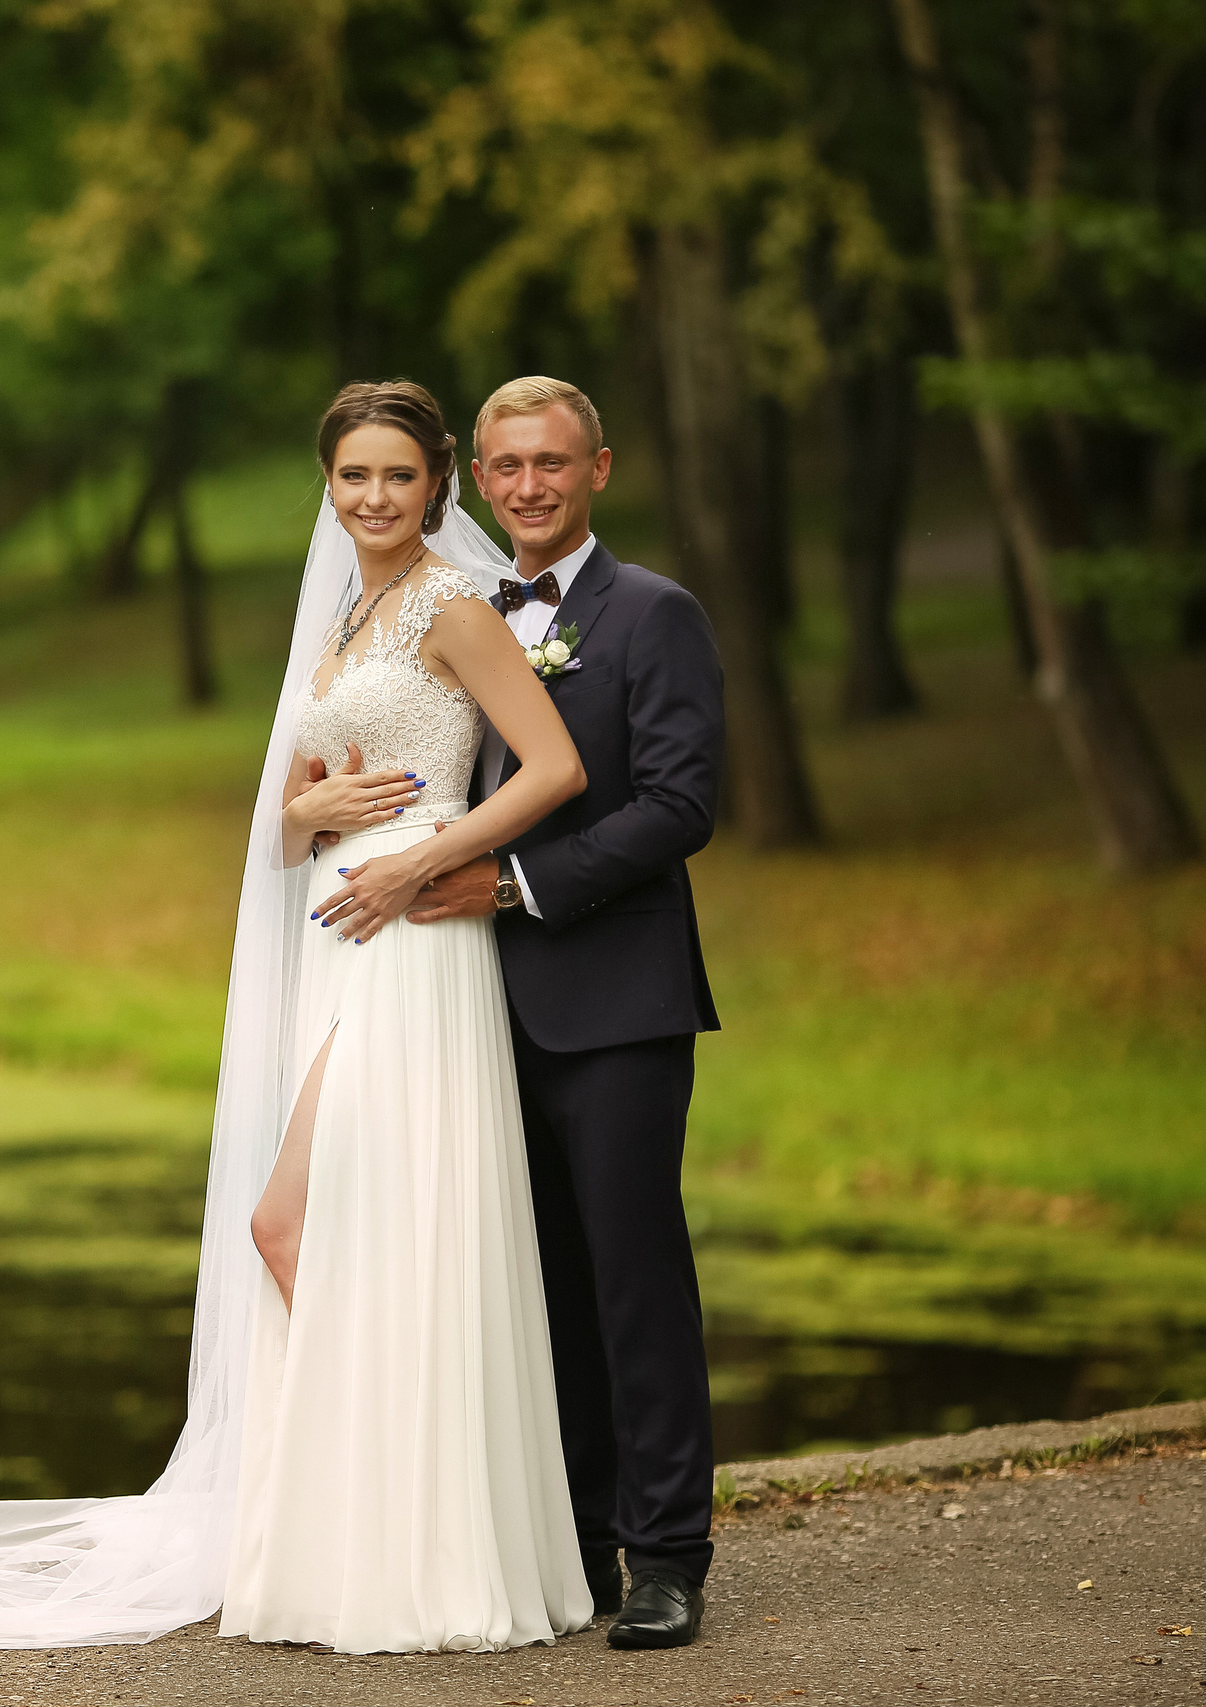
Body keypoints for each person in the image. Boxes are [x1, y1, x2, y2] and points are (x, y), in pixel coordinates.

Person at [0, 378, 679, 1657]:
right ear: (326, 489)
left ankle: (424, 1539)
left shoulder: (452, 605)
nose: (374, 498)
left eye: (398, 476)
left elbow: (555, 769)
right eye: (352, 478)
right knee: (341, 1228)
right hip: (346, 936)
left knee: (308, 1223)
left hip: (412, 940)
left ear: (437, 484)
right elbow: (283, 817)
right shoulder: (347, 617)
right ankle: (369, 1531)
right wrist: (311, 822)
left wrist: (423, 857)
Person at [324, 375, 725, 1649]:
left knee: (630, 1277)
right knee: (521, 1281)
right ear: (476, 480)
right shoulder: (441, 605)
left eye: (551, 463)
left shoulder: (653, 613)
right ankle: (569, 1536)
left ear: (597, 468)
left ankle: (665, 1556)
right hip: (459, 1008)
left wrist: (508, 879)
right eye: (505, 466)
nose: (528, 486)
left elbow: (677, 806)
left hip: (611, 997)